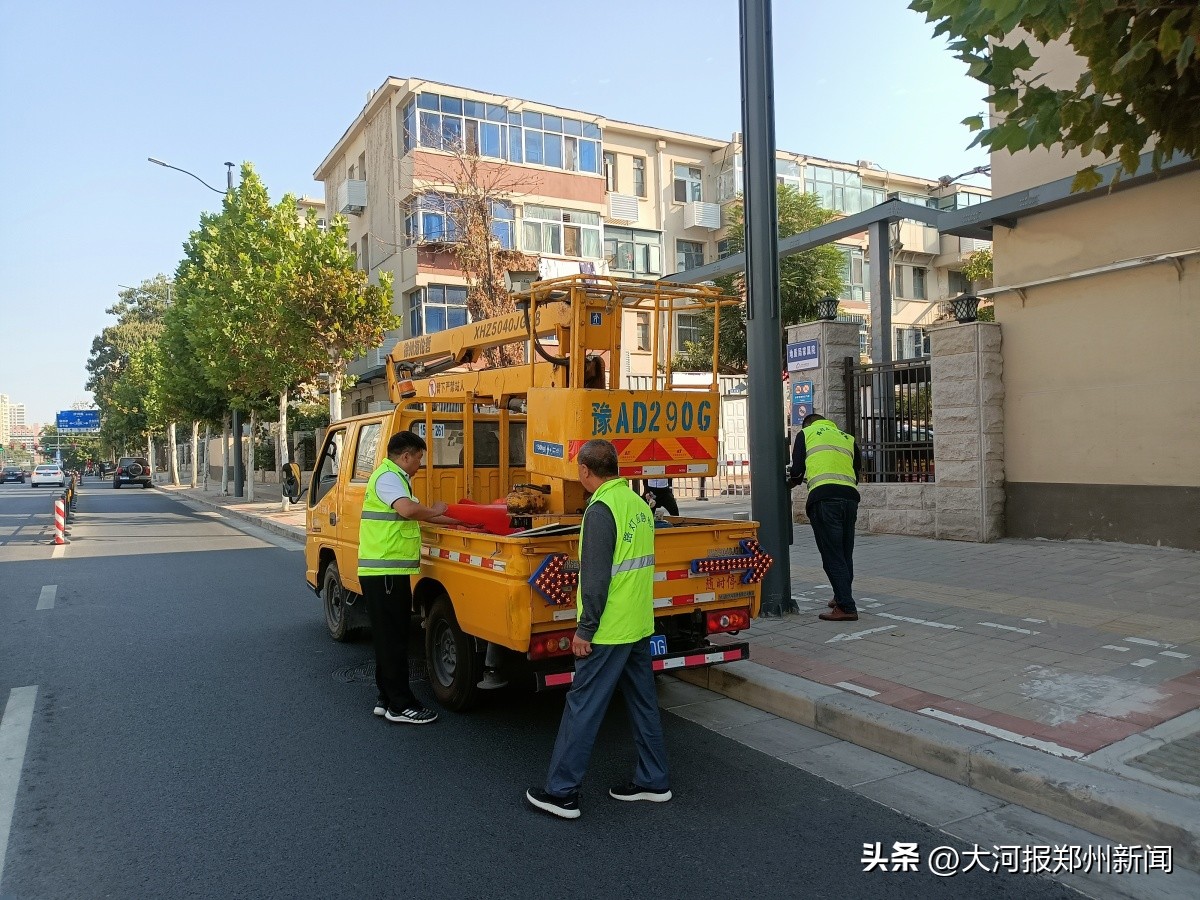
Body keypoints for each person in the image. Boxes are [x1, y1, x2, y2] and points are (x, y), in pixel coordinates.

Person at [526, 439, 671, 819]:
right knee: (643, 705)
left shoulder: (600, 509)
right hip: (638, 624)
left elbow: (594, 580)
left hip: (608, 630)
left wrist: (584, 630)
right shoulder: (637, 504)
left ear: (585, 471)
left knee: (583, 707)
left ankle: (562, 793)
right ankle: (654, 780)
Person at [360, 430, 460, 725]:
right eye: (419, 458)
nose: (420, 464)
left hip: (386, 572)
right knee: (394, 641)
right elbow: (408, 510)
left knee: (387, 638)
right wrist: (435, 509)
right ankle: (400, 705)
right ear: (405, 456)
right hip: (386, 573)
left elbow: (416, 514)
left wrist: (457, 518)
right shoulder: (389, 477)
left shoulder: (393, 477)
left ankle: (386, 698)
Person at [789, 413, 862, 622]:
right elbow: (857, 472)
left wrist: (792, 482)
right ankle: (841, 595)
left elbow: (796, 472)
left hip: (824, 499)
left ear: (807, 424)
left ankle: (846, 607)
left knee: (832, 555)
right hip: (850, 498)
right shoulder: (847, 437)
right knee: (845, 553)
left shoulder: (806, 433)